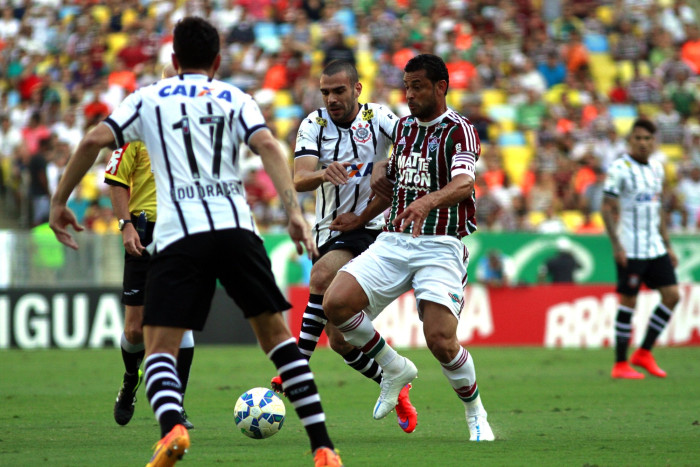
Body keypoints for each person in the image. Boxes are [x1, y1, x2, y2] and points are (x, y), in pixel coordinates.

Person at [49, 17, 342, 467]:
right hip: (236, 230)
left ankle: (173, 431)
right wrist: (294, 214)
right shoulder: (234, 97)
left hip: (179, 234)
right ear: (218, 61)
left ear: (172, 59)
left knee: (159, 345)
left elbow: (92, 140)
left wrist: (59, 202)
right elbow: (267, 146)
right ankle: (323, 448)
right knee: (279, 341)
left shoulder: (147, 99)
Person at [323, 54, 495, 441]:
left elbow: (465, 184)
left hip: (440, 244)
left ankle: (476, 414)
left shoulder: (459, 130)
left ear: (440, 87)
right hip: (395, 239)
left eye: (417, 86)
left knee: (440, 340)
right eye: (406, 86)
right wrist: (360, 216)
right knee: (334, 305)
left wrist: (428, 201)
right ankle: (393, 366)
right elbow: (394, 189)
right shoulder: (403, 130)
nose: (410, 94)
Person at [270, 60, 417, 433]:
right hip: (331, 229)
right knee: (338, 340)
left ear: (357, 89)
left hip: (376, 227)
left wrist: (389, 162)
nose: (331, 99)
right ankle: (394, 384)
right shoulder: (313, 125)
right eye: (325, 92)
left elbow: (413, 145)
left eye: (338, 91)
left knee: (319, 273)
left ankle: (295, 367)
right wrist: (323, 172)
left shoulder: (379, 117)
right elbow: (299, 178)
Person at [105, 64, 194, 430]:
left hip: (182, 233)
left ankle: (176, 408)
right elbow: (115, 180)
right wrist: (126, 225)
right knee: (135, 330)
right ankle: (130, 381)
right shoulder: (135, 132)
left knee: (181, 322)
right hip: (143, 230)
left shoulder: (195, 134)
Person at [602, 118, 680, 380]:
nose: (643, 143)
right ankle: (620, 363)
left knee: (672, 295)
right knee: (629, 301)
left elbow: (657, 209)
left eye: (648, 139)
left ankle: (644, 352)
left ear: (654, 141)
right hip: (631, 247)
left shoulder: (657, 168)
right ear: (630, 141)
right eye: (638, 138)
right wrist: (616, 246)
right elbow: (606, 207)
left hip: (655, 246)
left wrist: (667, 245)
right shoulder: (620, 168)